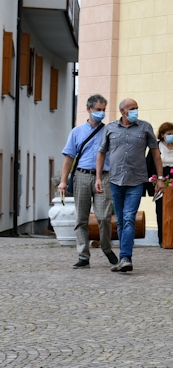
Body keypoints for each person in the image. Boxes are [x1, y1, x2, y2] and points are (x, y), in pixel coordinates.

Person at [96, 99, 163, 273]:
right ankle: (122, 259)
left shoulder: (145, 127)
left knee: (128, 217)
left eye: (137, 109)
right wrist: (98, 177)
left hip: (136, 180)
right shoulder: (110, 128)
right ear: (122, 111)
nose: (135, 112)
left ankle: (126, 257)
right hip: (115, 179)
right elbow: (101, 153)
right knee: (119, 220)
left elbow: (156, 153)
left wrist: (160, 178)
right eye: (132, 109)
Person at [57, 94, 117, 269]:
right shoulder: (76, 132)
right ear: (89, 109)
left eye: (104, 110)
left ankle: (106, 248)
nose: (101, 113)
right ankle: (83, 255)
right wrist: (63, 181)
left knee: (104, 216)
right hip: (82, 175)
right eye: (98, 110)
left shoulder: (108, 131)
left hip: (104, 176)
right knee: (81, 218)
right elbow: (69, 158)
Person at [145, 122, 173, 247]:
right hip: (160, 178)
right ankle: (162, 238)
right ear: (162, 135)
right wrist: (152, 183)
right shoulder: (156, 146)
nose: (172, 136)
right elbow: (149, 165)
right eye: (169, 134)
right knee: (161, 209)